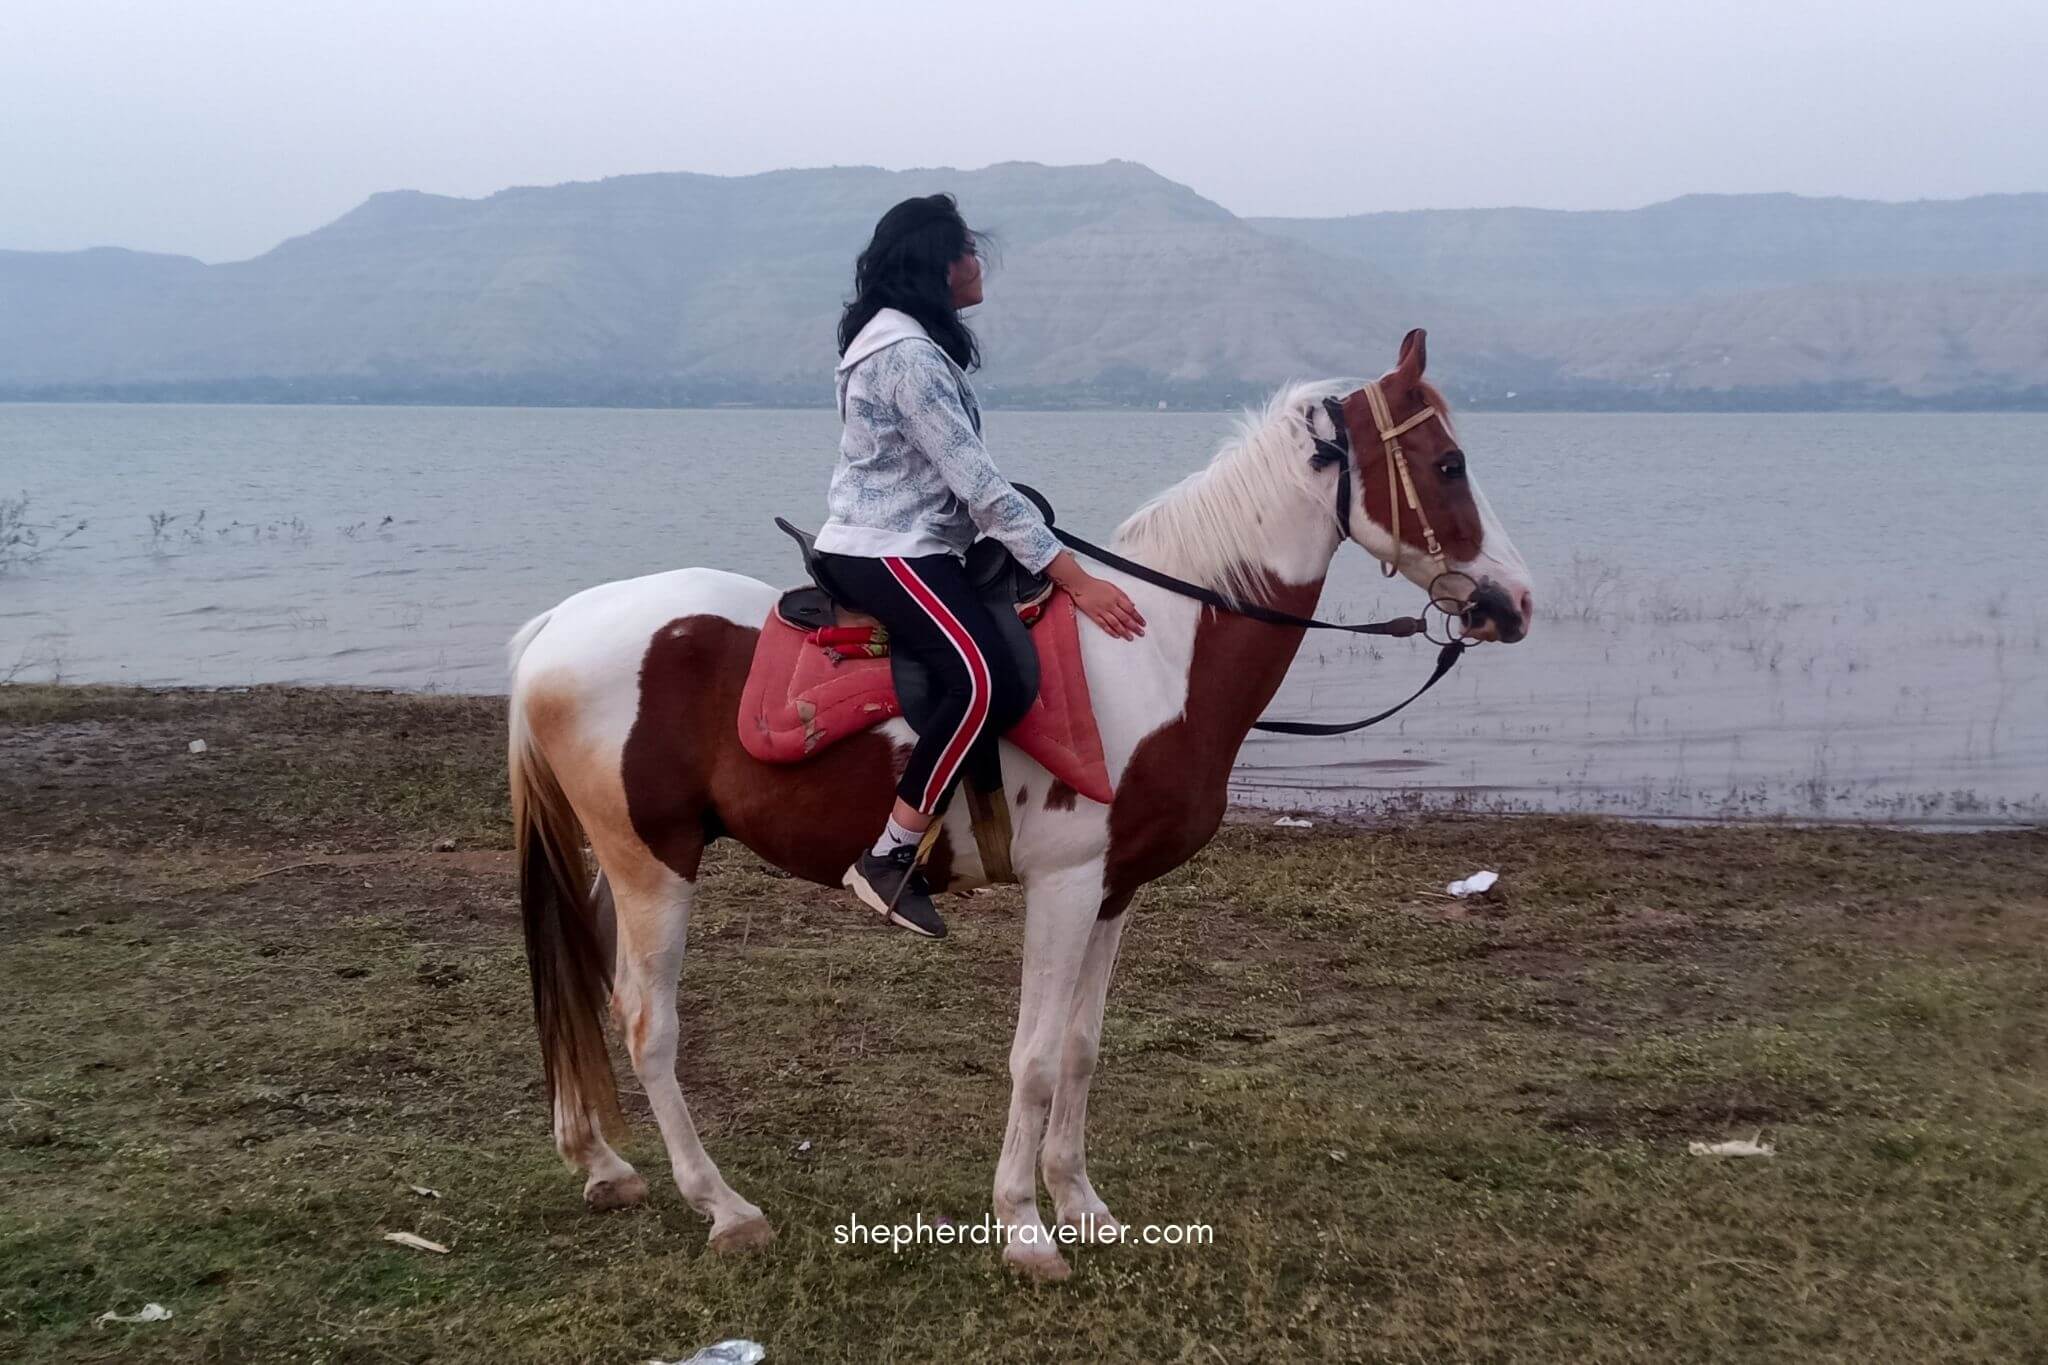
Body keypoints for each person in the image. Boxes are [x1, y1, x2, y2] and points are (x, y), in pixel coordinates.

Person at [814, 193, 1145, 938]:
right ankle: (890, 853)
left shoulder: (901, 346)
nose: (977, 263)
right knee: (981, 678)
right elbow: (981, 486)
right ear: (938, 265)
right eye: (967, 251)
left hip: (916, 538)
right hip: (887, 547)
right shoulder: (904, 356)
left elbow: (967, 486)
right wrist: (1076, 577)